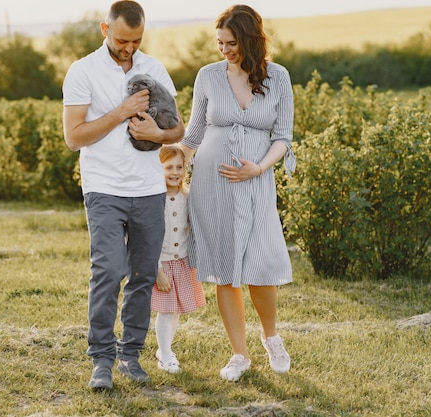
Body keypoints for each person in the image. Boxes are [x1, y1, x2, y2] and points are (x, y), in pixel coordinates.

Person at [62, 0, 185, 391]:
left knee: (144, 275)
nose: (129, 47)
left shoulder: (155, 69)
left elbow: (177, 129)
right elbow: (73, 137)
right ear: (104, 30)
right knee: (108, 271)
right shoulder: (83, 71)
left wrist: (158, 136)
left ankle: (130, 355)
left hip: (149, 190)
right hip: (104, 189)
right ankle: (101, 360)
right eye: (122, 40)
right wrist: (121, 111)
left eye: (136, 40)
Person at [180, 4, 296, 382]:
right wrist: (171, 158)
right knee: (225, 270)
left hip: (257, 182)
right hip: (212, 187)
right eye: (219, 43)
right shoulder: (208, 77)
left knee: (261, 262)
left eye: (231, 43)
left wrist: (258, 168)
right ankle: (239, 354)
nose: (224, 50)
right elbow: (194, 134)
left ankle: (272, 337)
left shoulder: (278, 78)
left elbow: (282, 137)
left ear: (250, 40)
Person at [151, 144, 206, 374]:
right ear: (158, 169)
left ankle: (166, 348)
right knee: (165, 310)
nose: (175, 172)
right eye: (169, 167)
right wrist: (156, 270)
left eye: (179, 167)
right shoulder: (153, 199)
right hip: (162, 264)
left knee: (175, 310)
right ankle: (164, 354)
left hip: (182, 262)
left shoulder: (187, 196)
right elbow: (147, 237)